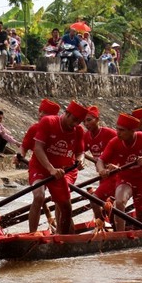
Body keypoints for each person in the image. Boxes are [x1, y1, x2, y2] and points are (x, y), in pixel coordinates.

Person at [28, 100, 88, 234]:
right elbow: (38, 148)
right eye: (74, 120)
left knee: (66, 208)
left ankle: (63, 237)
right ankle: (32, 234)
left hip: (61, 171)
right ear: (66, 113)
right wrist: (50, 169)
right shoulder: (48, 122)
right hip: (41, 167)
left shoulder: (78, 130)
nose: (76, 124)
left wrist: (80, 160)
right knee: (39, 196)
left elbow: (80, 152)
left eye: (79, 121)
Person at [96, 113, 142, 231]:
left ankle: (138, 230)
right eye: (117, 129)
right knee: (119, 202)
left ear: (132, 131)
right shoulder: (115, 142)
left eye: (122, 130)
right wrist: (102, 170)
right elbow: (100, 160)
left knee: (141, 216)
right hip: (125, 179)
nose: (118, 133)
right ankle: (120, 234)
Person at [83, 105, 118, 222]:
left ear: (97, 120)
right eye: (84, 121)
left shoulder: (110, 133)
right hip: (103, 174)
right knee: (106, 203)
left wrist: (116, 166)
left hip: (116, 174)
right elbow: (78, 152)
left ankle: (102, 225)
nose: (86, 124)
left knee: (95, 199)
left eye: (89, 120)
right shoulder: (86, 136)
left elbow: (124, 149)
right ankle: (106, 224)